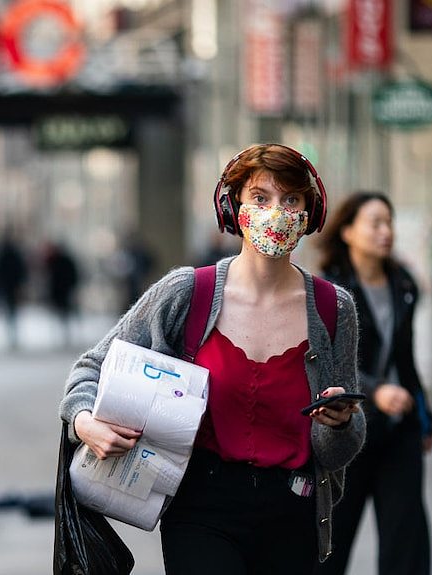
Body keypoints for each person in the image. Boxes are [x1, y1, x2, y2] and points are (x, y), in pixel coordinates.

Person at [59, 144, 367, 574]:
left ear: (309, 214)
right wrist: (83, 421)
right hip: (201, 506)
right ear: (232, 208)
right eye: (260, 198)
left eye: (291, 199)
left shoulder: (335, 309)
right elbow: (91, 369)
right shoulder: (188, 293)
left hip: (294, 507)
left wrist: (339, 424)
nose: (276, 212)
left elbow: (339, 451)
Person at [314, 192, 432, 575]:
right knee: (334, 538)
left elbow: (405, 357)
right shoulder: (328, 290)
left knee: (407, 536)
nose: (386, 232)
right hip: (348, 427)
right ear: (348, 231)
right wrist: (374, 391)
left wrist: (425, 416)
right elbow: (329, 362)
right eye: (375, 223)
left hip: (398, 429)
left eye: (390, 222)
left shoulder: (403, 284)